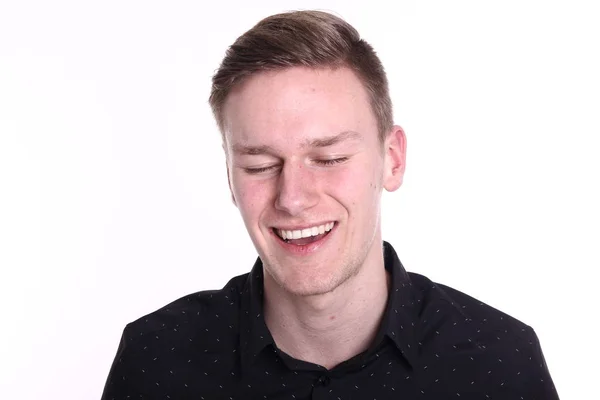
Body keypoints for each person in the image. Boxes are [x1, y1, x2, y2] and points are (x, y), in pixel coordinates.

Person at [101, 10, 559, 399]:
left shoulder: (500, 362)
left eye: (330, 158)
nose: (293, 198)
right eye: (260, 165)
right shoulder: (155, 360)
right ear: (229, 177)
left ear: (392, 160)